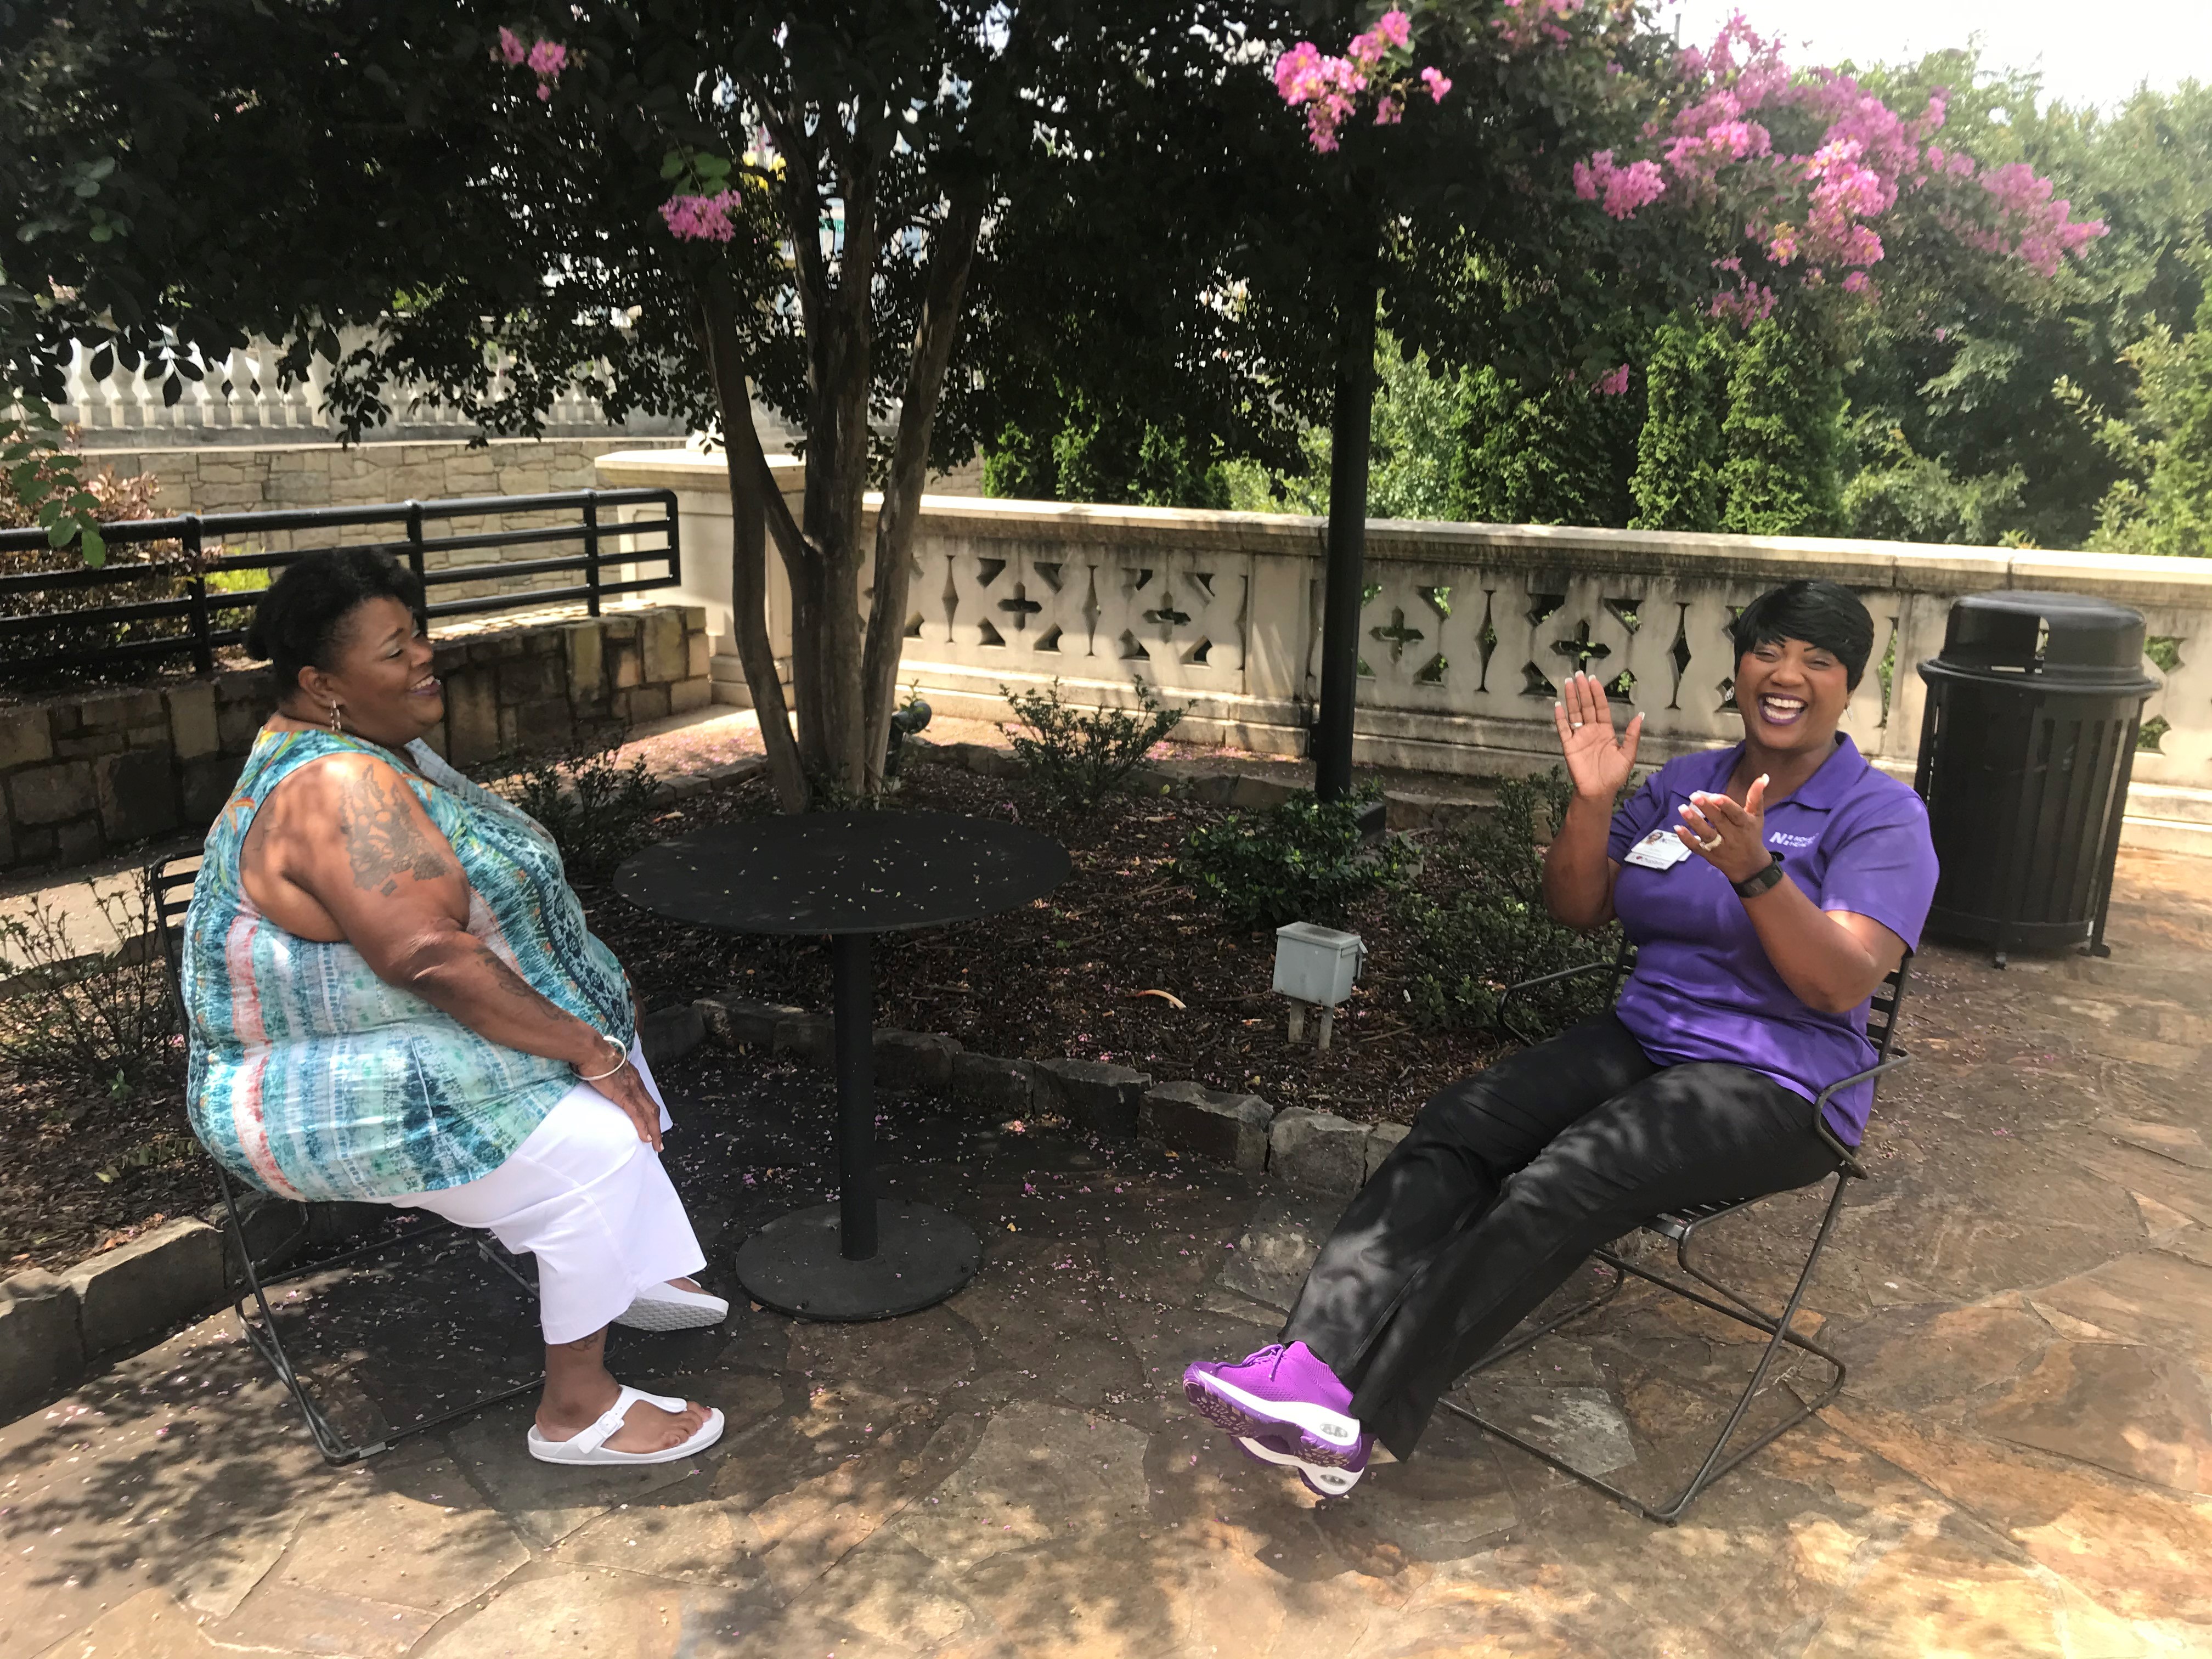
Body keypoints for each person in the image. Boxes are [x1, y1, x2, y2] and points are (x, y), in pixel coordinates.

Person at [1183, 579, 1938, 1497]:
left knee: (1570, 1176)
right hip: (1644, 1041)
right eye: (1769, 651)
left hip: (1779, 1084)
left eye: (1818, 660)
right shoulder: (1685, 782)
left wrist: (1757, 873)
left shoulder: (1881, 816)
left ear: (1849, 685)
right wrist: (1593, 803)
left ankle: (1363, 1419)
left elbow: (1840, 981)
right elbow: (1577, 908)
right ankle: (1308, 1367)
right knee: (1460, 1122)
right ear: (1738, 668)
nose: (1788, 675)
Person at [184, 548, 728, 1467]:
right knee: (599, 1144)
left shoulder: (366, 753)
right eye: (395, 650)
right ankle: (576, 1410)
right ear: (324, 683)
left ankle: (622, 1264)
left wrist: (594, 1025)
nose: (425, 656)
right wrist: (585, 1048)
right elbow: (426, 952)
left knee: (613, 1055)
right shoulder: (337, 785)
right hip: (318, 1103)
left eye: (417, 635)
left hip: (403, 1048)